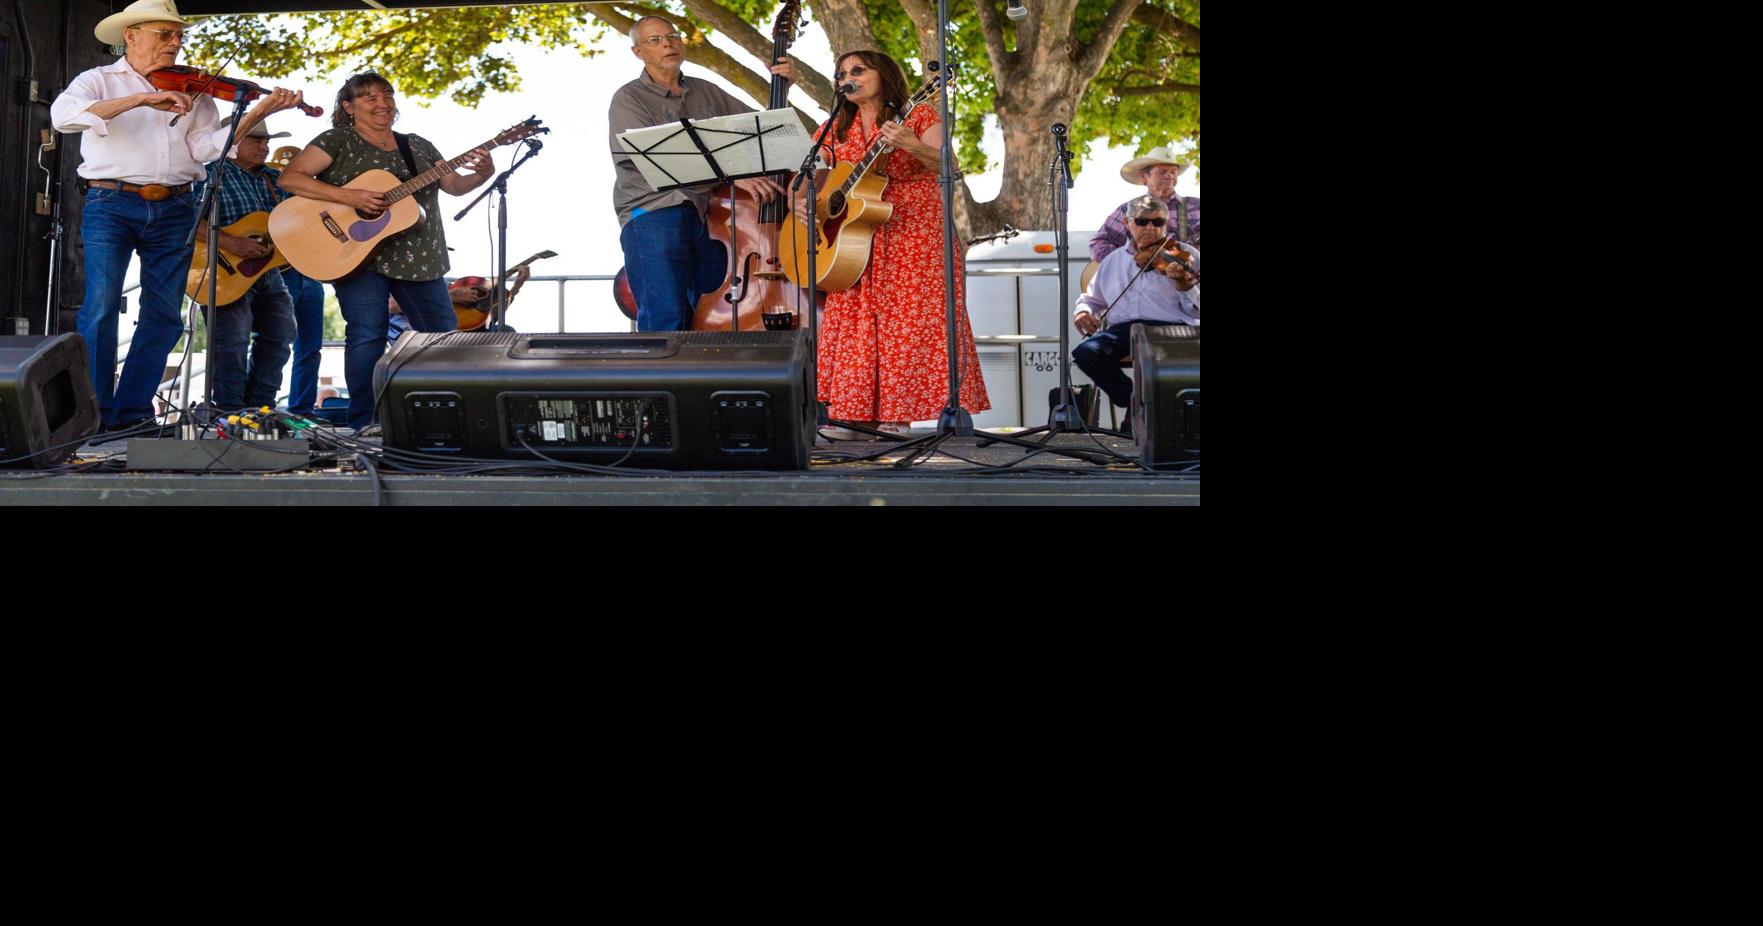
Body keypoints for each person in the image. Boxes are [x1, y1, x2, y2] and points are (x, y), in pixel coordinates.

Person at [49, 0, 301, 429]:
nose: (176, 42)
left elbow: (207, 150)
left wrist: (256, 113)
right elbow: (64, 118)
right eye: (165, 34)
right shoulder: (97, 80)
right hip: (111, 203)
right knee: (102, 306)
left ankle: (129, 414)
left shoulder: (195, 89)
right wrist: (143, 98)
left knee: (164, 315)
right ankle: (90, 415)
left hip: (177, 206)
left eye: (179, 35)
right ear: (132, 36)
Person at [277, 71, 494, 430]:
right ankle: (366, 422)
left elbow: (453, 184)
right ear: (348, 107)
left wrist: (482, 174)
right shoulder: (336, 140)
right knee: (366, 335)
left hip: (420, 254)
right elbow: (291, 178)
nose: (383, 104)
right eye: (370, 98)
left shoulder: (417, 145)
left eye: (387, 96)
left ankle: (445, 418)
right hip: (356, 255)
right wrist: (351, 197)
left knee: (442, 335)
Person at [808, 50, 988, 433]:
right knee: (854, 319)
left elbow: (949, 167)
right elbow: (811, 176)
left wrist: (912, 144)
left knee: (908, 321)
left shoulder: (920, 114)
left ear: (884, 74)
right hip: (854, 236)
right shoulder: (835, 128)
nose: (847, 78)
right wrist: (808, 201)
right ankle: (850, 413)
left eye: (858, 70)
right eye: (841, 73)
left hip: (914, 229)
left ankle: (896, 416)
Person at [608, 15, 795, 332]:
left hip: (710, 218)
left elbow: (762, 133)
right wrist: (731, 175)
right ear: (637, 52)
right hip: (655, 212)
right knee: (665, 317)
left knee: (706, 318)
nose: (668, 42)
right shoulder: (629, 99)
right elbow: (654, 159)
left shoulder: (707, 91)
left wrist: (783, 88)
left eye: (673, 35)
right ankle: (661, 383)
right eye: (655, 39)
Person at [194, 116, 295, 411]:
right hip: (222, 271)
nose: (265, 146)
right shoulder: (209, 175)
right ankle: (229, 412)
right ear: (231, 142)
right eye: (256, 140)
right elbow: (187, 221)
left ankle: (261, 410)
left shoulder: (275, 180)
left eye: (267, 141)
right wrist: (232, 243)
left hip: (268, 272)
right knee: (231, 343)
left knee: (280, 337)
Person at [1072, 195, 1200, 416]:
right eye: (1142, 221)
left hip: (1171, 330)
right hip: (1125, 331)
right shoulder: (1113, 260)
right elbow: (1093, 299)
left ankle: (1162, 413)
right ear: (1127, 223)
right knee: (1086, 352)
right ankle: (1137, 405)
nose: (1150, 228)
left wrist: (1184, 285)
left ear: (1166, 224)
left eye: (1158, 222)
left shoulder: (1185, 255)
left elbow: (1196, 310)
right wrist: (1083, 311)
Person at [1089, 145, 1200, 263]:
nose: (1170, 176)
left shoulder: (1197, 207)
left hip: (1186, 279)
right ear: (1144, 176)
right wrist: (1131, 262)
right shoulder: (1127, 209)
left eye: (1174, 172)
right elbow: (1098, 244)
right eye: (1162, 172)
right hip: (1141, 279)